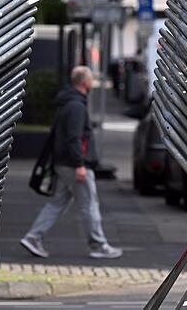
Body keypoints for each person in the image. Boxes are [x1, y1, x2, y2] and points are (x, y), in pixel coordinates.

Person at [20, 66, 123, 259]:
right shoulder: (76, 106)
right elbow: (74, 138)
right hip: (74, 165)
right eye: (91, 79)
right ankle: (99, 245)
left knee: (57, 203)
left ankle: (33, 237)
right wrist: (80, 165)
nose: (92, 83)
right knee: (90, 204)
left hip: (63, 163)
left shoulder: (68, 103)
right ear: (85, 83)